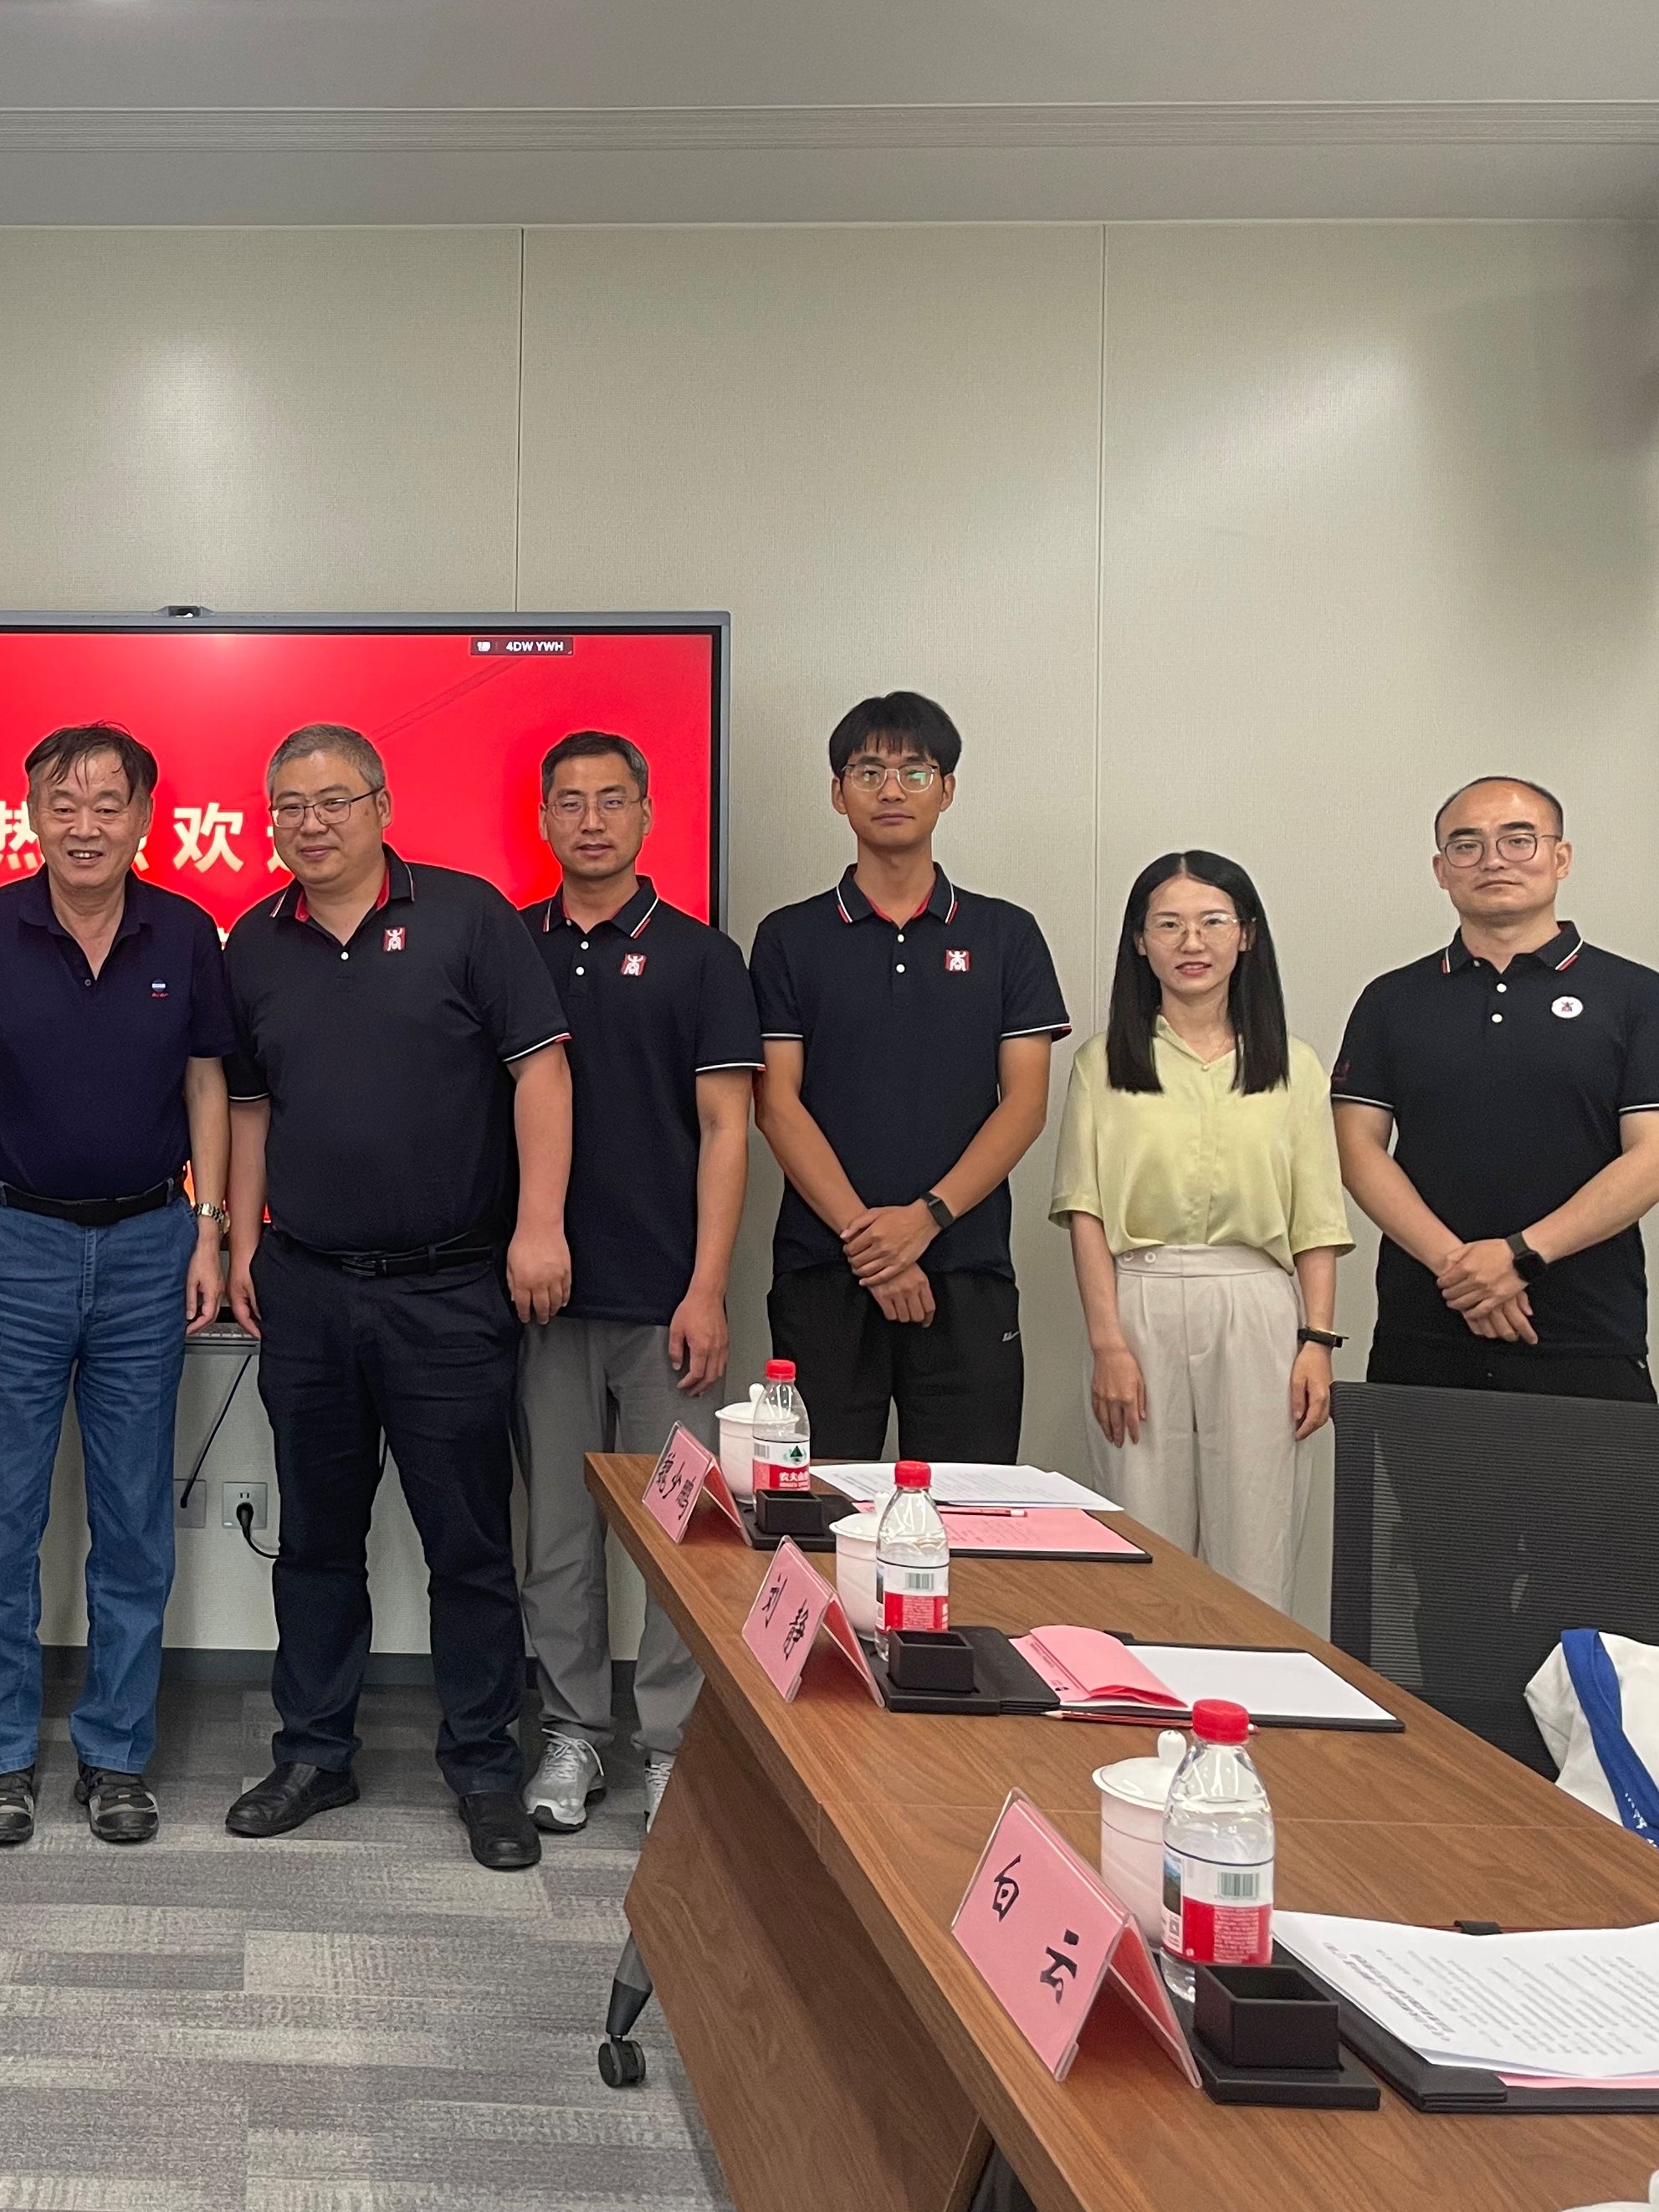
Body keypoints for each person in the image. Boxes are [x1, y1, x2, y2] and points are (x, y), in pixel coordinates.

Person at [219, 723, 573, 1874]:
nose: (310, 824)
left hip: (451, 1288)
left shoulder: (468, 917)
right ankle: (315, 1752)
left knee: (467, 1545)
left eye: (333, 801)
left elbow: (541, 1070)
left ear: (380, 804)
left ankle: (485, 1768)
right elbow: (250, 1108)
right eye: (289, 807)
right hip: (307, 1286)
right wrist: (239, 1242)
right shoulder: (253, 941)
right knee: (316, 1539)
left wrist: (538, 1226)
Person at [0, 724, 232, 1850]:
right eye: (64, 802)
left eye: (109, 803)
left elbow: (208, 1086)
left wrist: (210, 1230)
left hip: (151, 1244)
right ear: (32, 815)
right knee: (1, 1514)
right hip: (14, 1245)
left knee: (134, 1514)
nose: (86, 824)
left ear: (145, 817)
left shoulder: (185, 932)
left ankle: (116, 1754)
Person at [513, 730, 760, 1835]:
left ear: (649, 815)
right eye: (570, 802)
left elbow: (726, 1129)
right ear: (544, 820)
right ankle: (573, 1733)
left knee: (680, 1537)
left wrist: (707, 1287)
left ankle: (671, 1745)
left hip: (668, 1303)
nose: (592, 821)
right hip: (545, 1298)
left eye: (613, 800)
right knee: (558, 1535)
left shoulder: (703, 957)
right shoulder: (513, 948)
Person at [750, 692, 1068, 1465]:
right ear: (838, 792)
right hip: (825, 1270)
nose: (891, 790)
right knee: (816, 1508)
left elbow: (1025, 1104)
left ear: (947, 788)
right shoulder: (788, 937)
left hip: (965, 1266)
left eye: (914, 772)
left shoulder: (1007, 933)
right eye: (869, 772)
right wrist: (873, 1246)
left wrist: (924, 1220)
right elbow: (776, 1104)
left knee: (970, 1510)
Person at [1332, 776, 1659, 1400]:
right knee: (1424, 1475)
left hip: (1585, 1334)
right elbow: (1358, 1151)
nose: (1493, 860)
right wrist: (1461, 1271)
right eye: (1466, 845)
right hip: (1423, 1330)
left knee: (1587, 1475)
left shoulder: (1639, 996)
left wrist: (1520, 1256)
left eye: (1519, 840)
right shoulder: (1390, 1000)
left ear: (1561, 857)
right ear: (1441, 870)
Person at [1050, 852, 1349, 1611]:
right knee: (1141, 1541)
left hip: (1257, 1304)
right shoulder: (1102, 1064)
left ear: (1246, 935)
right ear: (1139, 941)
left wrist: (1316, 1343)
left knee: (1257, 1538)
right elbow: (1085, 1212)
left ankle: (1250, 1686)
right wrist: (1108, 1345)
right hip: (1139, 1301)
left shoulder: (1294, 1067)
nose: (1193, 942)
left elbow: (1317, 1221)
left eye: (1213, 921)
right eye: (1169, 924)